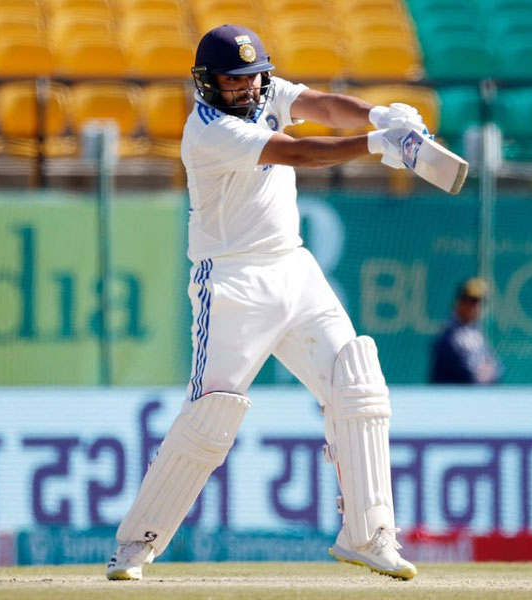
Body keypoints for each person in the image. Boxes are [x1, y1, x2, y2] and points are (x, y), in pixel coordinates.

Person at [106, 24, 425, 581]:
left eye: (253, 78)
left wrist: (378, 117)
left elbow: (321, 104)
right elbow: (298, 150)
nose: (248, 90)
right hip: (231, 282)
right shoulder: (207, 132)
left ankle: (369, 535)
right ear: (207, 84)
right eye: (233, 81)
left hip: (295, 268)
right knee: (210, 417)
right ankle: (136, 545)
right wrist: (379, 146)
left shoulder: (265, 91)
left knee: (358, 383)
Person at [429, 277, 503, 384]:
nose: (476, 307)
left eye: (479, 303)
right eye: (471, 302)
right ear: (460, 302)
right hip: (450, 396)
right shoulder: (449, 333)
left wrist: (491, 371)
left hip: (474, 396)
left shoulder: (475, 331)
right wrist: (482, 373)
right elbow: (464, 373)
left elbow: (497, 367)